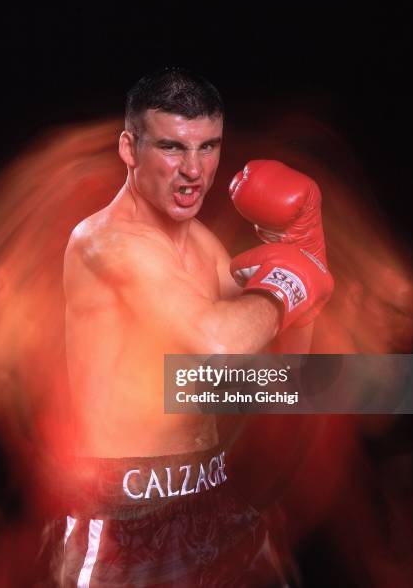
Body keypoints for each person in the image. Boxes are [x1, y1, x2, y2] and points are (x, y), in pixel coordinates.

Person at [59, 68, 333, 586]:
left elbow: (284, 377)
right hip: (126, 517)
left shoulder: (203, 246)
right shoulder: (105, 243)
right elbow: (219, 345)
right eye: (171, 147)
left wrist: (305, 258)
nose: (193, 171)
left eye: (208, 147)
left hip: (213, 495)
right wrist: (288, 285)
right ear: (128, 147)